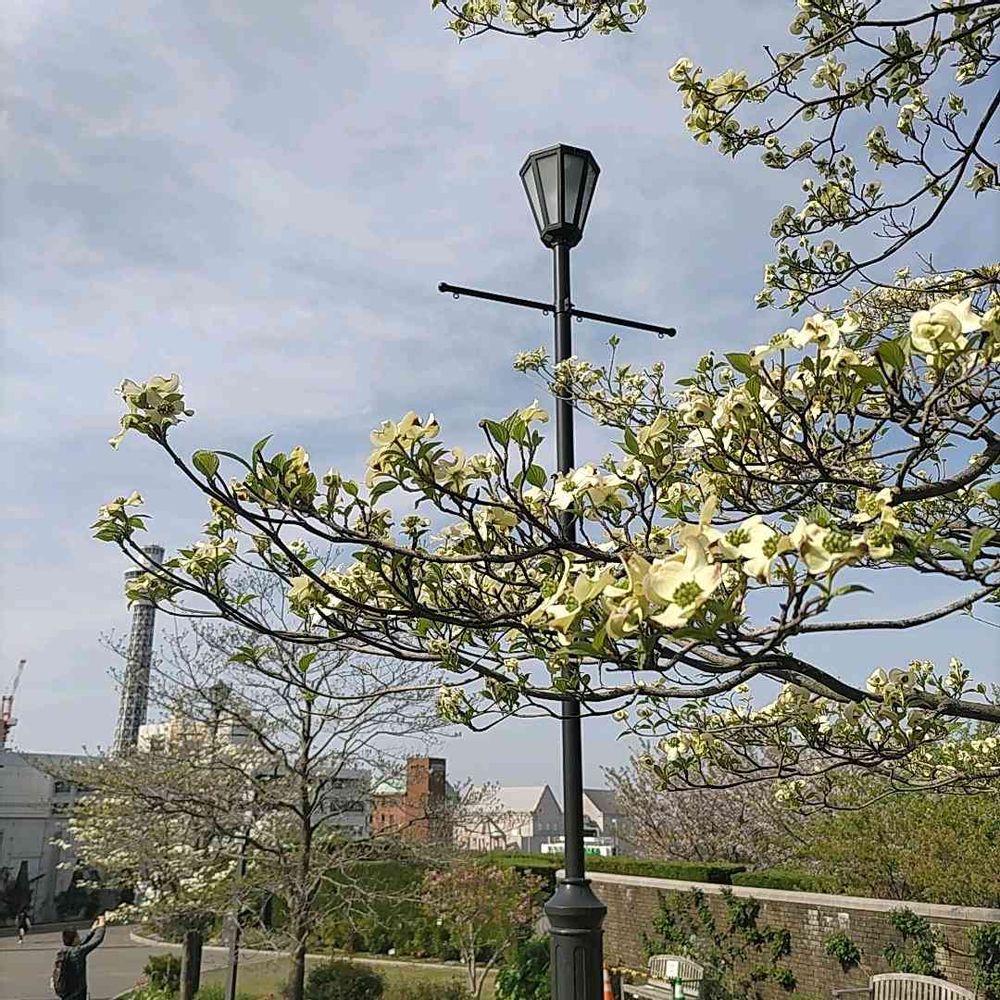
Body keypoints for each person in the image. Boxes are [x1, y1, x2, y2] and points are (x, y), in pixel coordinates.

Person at [52, 913, 106, 1000]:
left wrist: (92, 931)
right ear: (74, 939)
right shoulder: (77, 952)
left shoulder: (63, 951)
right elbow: (96, 940)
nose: (79, 938)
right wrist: (102, 926)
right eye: (77, 936)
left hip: (66, 992)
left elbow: (81, 943)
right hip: (77, 992)